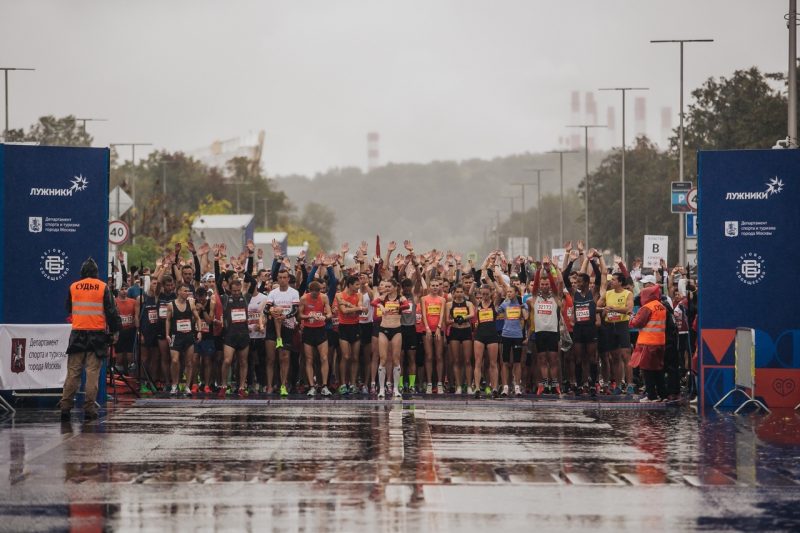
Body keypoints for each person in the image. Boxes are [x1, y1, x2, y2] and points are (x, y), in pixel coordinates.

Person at [59, 258, 121, 421]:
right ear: (96, 273)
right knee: (92, 373)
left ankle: (65, 407)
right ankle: (89, 409)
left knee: (73, 373)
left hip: (77, 334)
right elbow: (111, 312)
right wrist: (115, 331)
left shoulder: (74, 286)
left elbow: (68, 308)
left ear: (82, 273)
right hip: (96, 335)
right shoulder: (102, 287)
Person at [629, 280, 667, 402]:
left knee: (646, 370)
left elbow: (637, 323)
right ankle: (663, 395)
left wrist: (631, 318)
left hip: (647, 343)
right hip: (660, 342)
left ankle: (652, 396)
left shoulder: (647, 307)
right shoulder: (661, 306)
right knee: (657, 369)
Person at [530, 258, 562, 395]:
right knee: (542, 359)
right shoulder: (535, 298)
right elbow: (535, 286)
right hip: (540, 332)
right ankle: (543, 384)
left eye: (546, 284)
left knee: (553, 359)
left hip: (552, 332)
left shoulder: (554, 297)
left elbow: (555, 286)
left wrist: (548, 271)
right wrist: (538, 271)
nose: (543, 286)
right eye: (542, 284)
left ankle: (554, 384)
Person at [265, 269, 300, 397]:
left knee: (284, 358)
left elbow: (295, 310)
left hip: (287, 326)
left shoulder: (294, 292)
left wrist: (285, 316)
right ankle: (269, 386)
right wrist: (272, 312)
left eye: (285, 277)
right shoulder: (273, 293)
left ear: (288, 279)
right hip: (272, 326)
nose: (282, 280)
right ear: (277, 279)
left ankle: (283, 385)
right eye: (280, 277)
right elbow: (266, 308)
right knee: (270, 359)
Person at [165, 283, 202, 395]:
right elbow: (167, 320)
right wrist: (167, 334)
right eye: (185, 291)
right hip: (176, 336)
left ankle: (187, 386)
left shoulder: (190, 303)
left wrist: (199, 331)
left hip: (188, 335)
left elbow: (198, 318)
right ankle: (174, 384)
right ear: (179, 292)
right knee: (175, 360)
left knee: (189, 362)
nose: (187, 293)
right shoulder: (171, 305)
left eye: (188, 291)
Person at [299, 281, 333, 396]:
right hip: (308, 330)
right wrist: (309, 316)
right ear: (310, 291)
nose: (315, 295)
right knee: (309, 359)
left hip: (320, 330)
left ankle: (324, 385)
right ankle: (311, 386)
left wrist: (325, 316)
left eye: (317, 293)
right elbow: (299, 315)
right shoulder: (304, 298)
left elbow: (329, 313)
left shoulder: (323, 297)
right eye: (313, 293)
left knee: (324, 358)